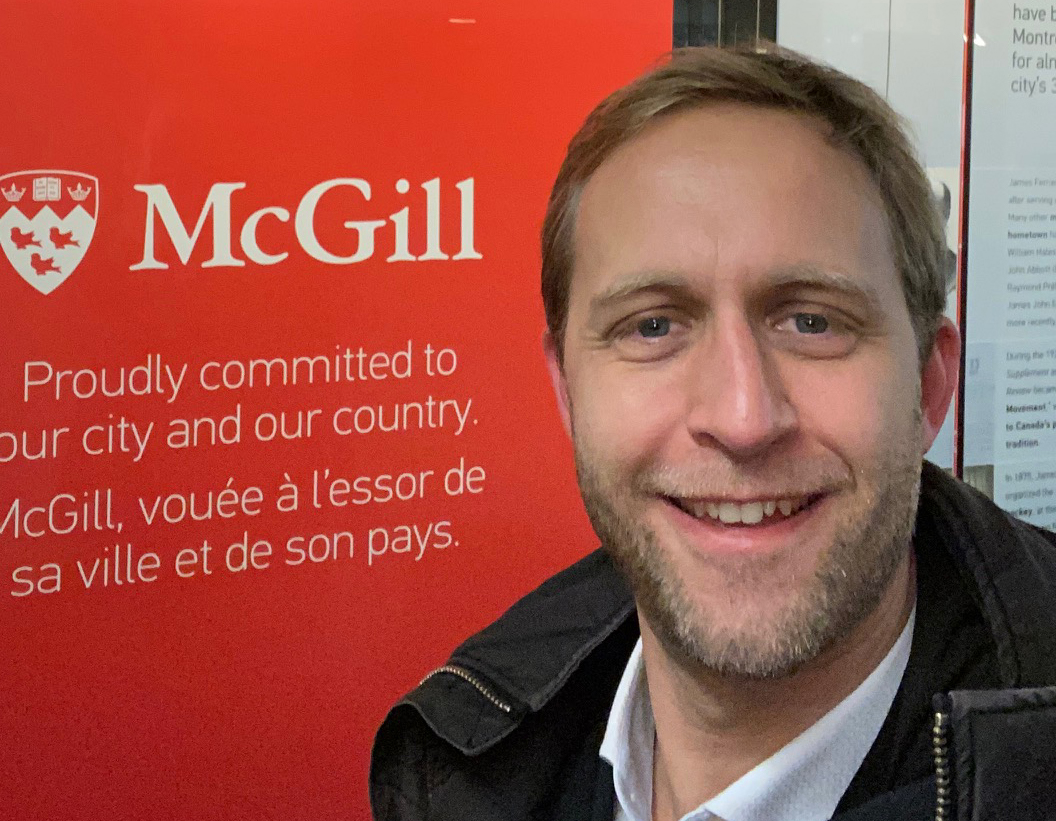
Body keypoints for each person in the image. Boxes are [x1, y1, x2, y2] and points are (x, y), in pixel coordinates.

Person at [369, 45, 1056, 821]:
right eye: (653, 325)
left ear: (929, 385)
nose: (743, 417)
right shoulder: (470, 760)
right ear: (568, 390)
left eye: (812, 322)